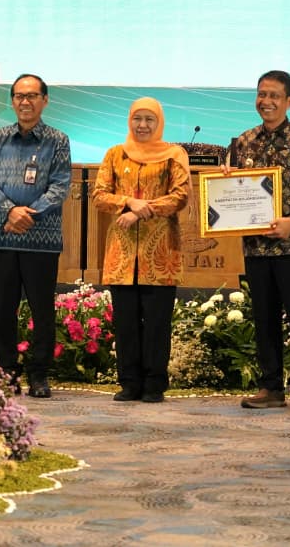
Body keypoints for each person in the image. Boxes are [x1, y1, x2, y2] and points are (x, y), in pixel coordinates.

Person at [228, 70, 290, 413]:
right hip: (256, 247)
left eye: (274, 95)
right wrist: (226, 182)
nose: (266, 101)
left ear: (289, 101)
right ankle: (270, 387)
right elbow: (233, 189)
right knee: (264, 319)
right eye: (261, 94)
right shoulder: (243, 141)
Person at [0, 74, 72, 398]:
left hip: (42, 242)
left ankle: (39, 374)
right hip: (3, 238)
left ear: (45, 100)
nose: (25, 101)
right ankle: (7, 373)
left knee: (42, 311)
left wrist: (26, 215)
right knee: (4, 310)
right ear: (12, 101)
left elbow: (60, 186)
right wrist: (9, 211)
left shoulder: (58, 140)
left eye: (32, 96)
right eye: (19, 96)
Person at [92, 97, 191, 404]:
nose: (143, 125)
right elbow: (99, 195)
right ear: (129, 121)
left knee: (157, 323)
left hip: (160, 253)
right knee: (126, 323)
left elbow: (180, 196)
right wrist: (127, 202)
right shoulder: (115, 153)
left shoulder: (173, 155)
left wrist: (139, 211)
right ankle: (129, 383)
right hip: (122, 254)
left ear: (159, 122)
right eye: (138, 119)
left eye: (150, 119)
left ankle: (154, 384)